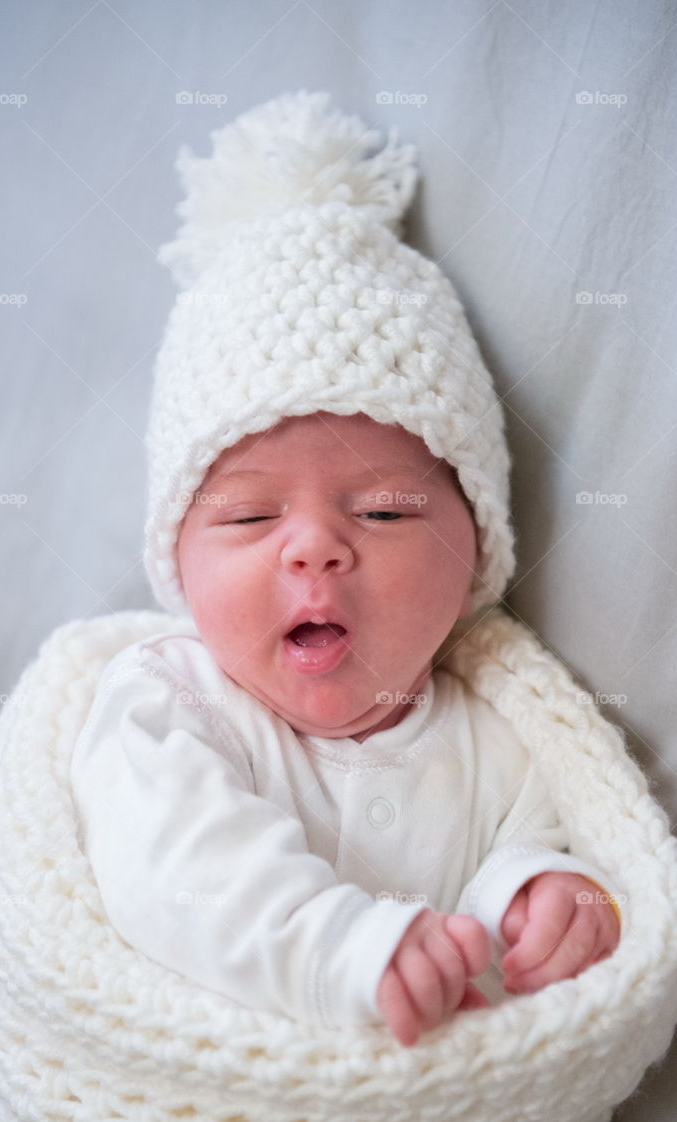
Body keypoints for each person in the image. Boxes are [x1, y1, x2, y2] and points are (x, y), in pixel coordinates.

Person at [70, 90, 622, 1049]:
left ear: (477, 550)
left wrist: (541, 902)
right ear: (177, 564)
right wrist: (338, 949)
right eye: (247, 514)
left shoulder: (508, 736)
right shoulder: (170, 703)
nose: (315, 548)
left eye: (382, 510)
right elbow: (172, 867)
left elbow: (510, 884)